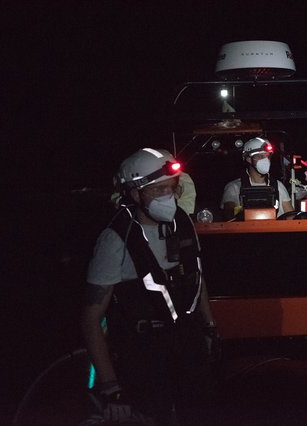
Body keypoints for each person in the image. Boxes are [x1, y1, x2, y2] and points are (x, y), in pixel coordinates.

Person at [80, 147, 219, 425]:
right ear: (135, 193)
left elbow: (196, 278)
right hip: (143, 353)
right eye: (158, 191)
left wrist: (210, 328)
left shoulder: (183, 224)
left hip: (188, 344)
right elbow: (91, 319)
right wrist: (111, 387)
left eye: (172, 188)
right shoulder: (116, 239)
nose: (168, 197)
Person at [220, 137, 293, 220]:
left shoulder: (278, 185)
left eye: (267, 156)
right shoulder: (234, 187)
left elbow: (290, 216)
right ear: (248, 159)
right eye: (260, 156)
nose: (265, 160)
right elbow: (230, 216)